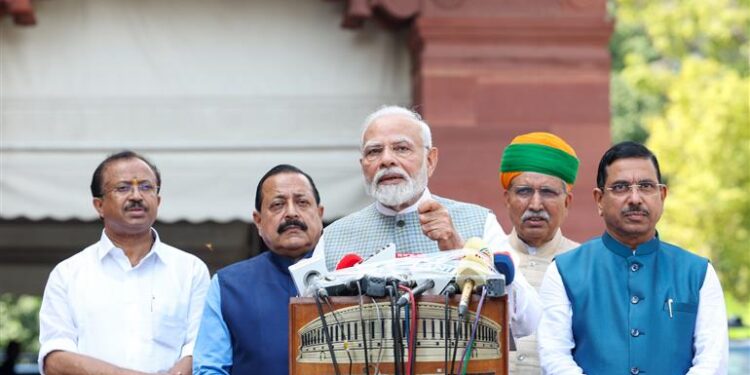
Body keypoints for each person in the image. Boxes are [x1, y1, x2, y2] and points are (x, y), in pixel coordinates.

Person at [313, 105, 541, 338]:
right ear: (363, 166)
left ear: (430, 160)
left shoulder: (478, 221)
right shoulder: (334, 236)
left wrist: (458, 249)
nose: (386, 160)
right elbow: (311, 327)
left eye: (401, 148)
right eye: (374, 152)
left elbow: (527, 321)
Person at [538, 141, 728, 374]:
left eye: (646, 186)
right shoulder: (564, 272)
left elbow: (712, 361)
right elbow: (554, 357)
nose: (635, 198)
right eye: (620, 187)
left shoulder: (698, 273)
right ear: (599, 200)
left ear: (662, 195)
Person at [38, 151, 210, 375]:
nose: (136, 195)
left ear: (158, 201)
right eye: (123, 188)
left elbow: (201, 346)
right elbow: (55, 358)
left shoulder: (190, 270)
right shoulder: (68, 273)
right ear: (99, 205)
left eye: (146, 187)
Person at [193, 164, 325, 374]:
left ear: (319, 214)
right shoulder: (228, 285)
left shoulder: (351, 275)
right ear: (258, 221)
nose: (291, 213)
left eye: (302, 202)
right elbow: (209, 368)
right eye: (278, 205)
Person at [499, 132, 581, 374]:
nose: (535, 205)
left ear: (567, 202)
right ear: (507, 199)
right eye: (524, 191)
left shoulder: (587, 265)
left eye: (548, 192)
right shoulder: (485, 261)